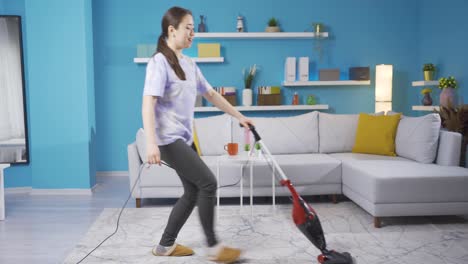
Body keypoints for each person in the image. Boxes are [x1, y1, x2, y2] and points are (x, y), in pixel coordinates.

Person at [141, 6, 254, 263]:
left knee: (192, 192)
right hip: (167, 139)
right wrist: (150, 143)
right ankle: (214, 248)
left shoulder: (189, 63)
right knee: (208, 183)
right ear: (172, 30)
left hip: (183, 139)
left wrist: (240, 117)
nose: (193, 33)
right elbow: (148, 104)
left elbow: (211, 95)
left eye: (194, 29)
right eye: (188, 28)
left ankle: (165, 246)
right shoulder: (158, 63)